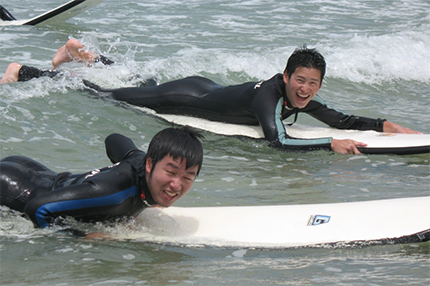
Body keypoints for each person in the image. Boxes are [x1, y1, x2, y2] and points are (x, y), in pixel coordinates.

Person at [1, 39, 421, 154]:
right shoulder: (269, 98)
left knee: (142, 81)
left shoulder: (303, 98)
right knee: (108, 96)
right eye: (300, 80)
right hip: (185, 95)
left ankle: (84, 52)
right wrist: (329, 146)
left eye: (313, 83)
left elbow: (340, 119)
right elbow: (278, 141)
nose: (305, 89)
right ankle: (23, 71)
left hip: (202, 85)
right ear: (286, 75)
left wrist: (384, 125)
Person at [0, 127, 204, 229]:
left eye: (187, 177)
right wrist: (79, 237)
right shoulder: (114, 193)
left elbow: (114, 139)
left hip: (32, 170)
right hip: (13, 190)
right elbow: (37, 209)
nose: (176, 184)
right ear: (150, 164)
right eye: (170, 172)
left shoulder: (139, 160)